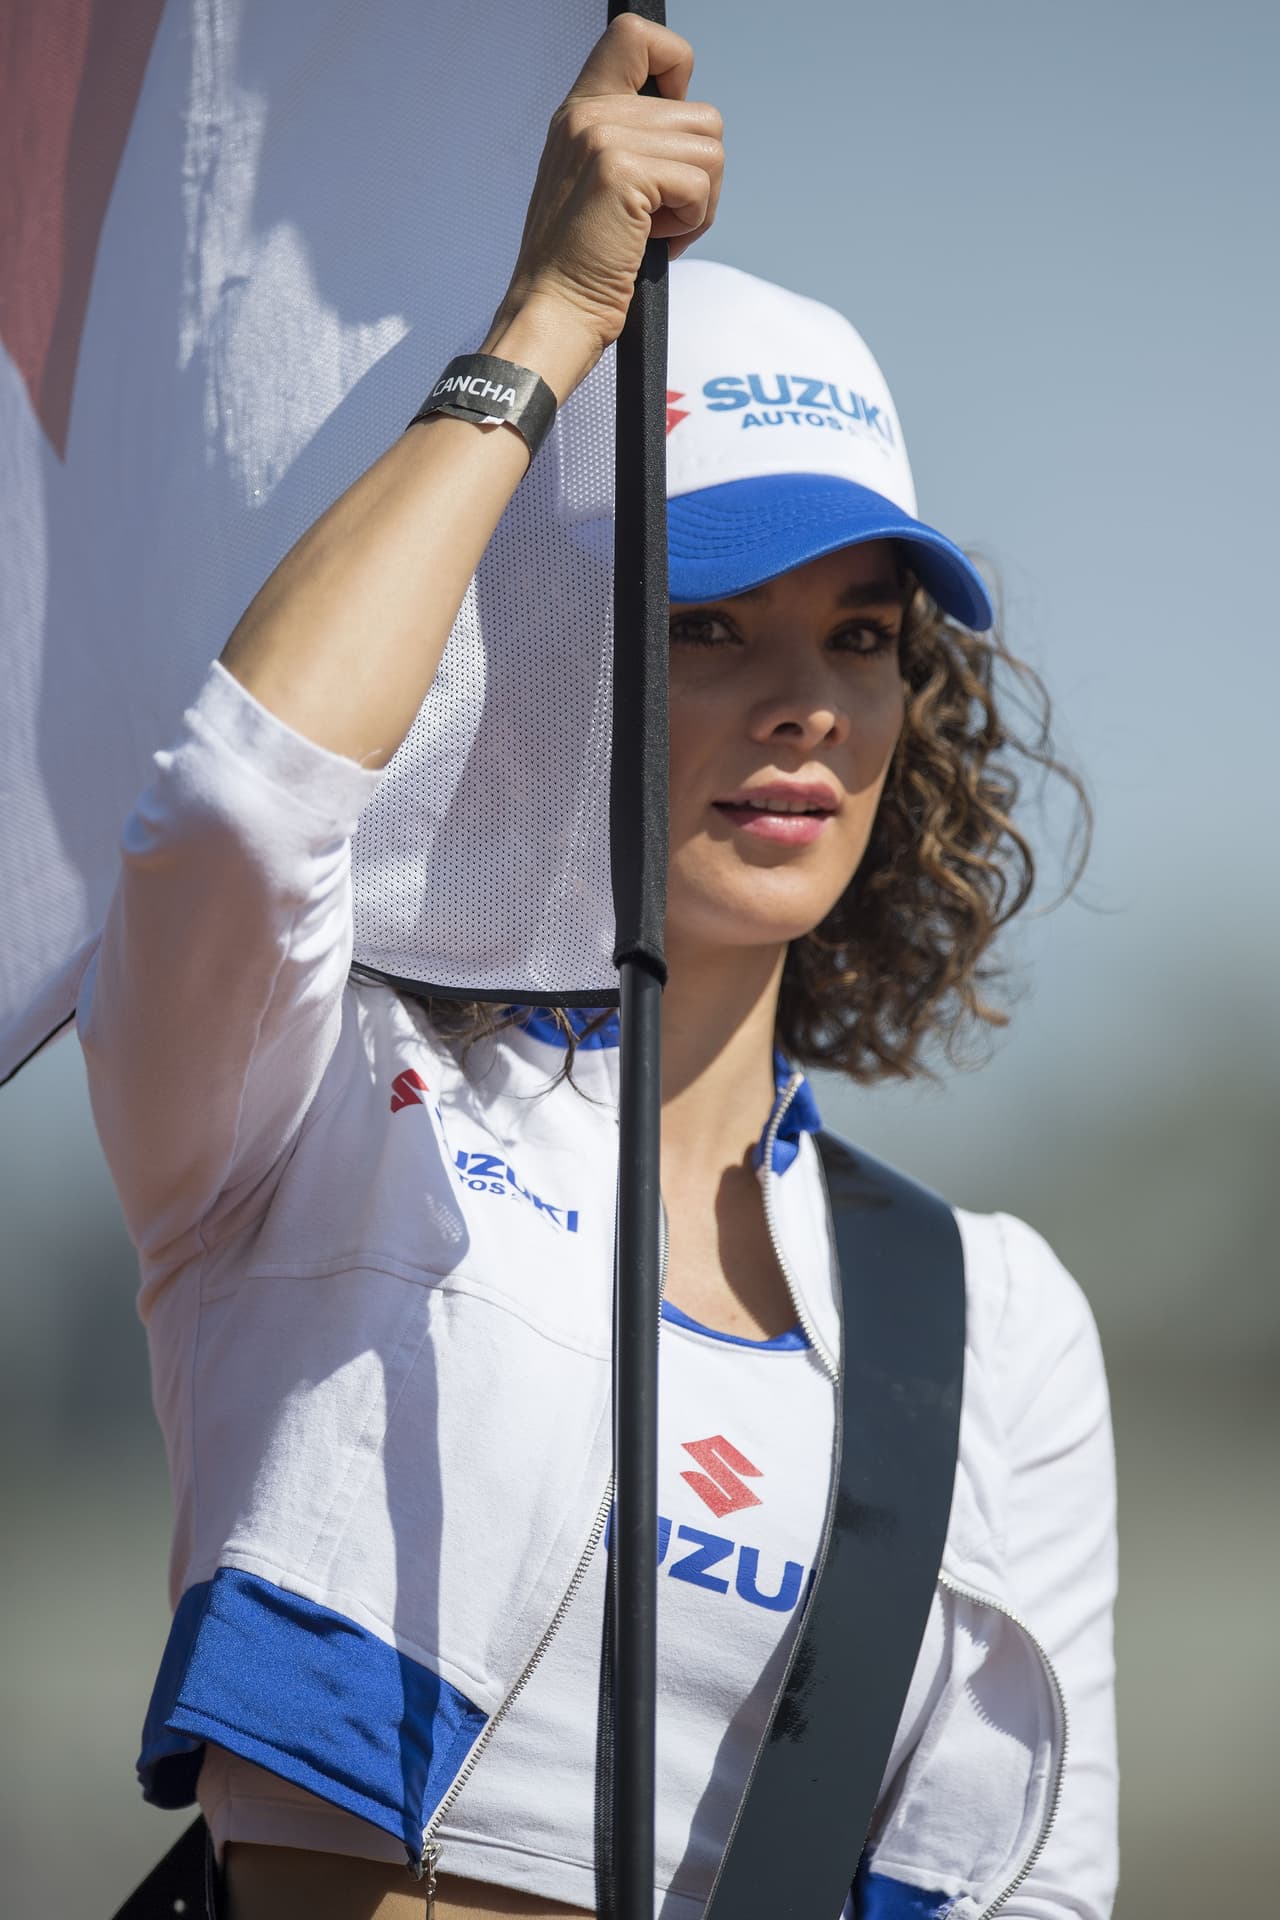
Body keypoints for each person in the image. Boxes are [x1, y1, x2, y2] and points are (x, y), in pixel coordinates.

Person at [79, 14, 1116, 1920]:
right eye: (708, 621)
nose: (809, 704)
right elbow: (236, 807)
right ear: (543, 642)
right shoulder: (320, 1100)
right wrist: (550, 317)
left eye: (864, 635)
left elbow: (1030, 1891)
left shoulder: (1001, 1315)